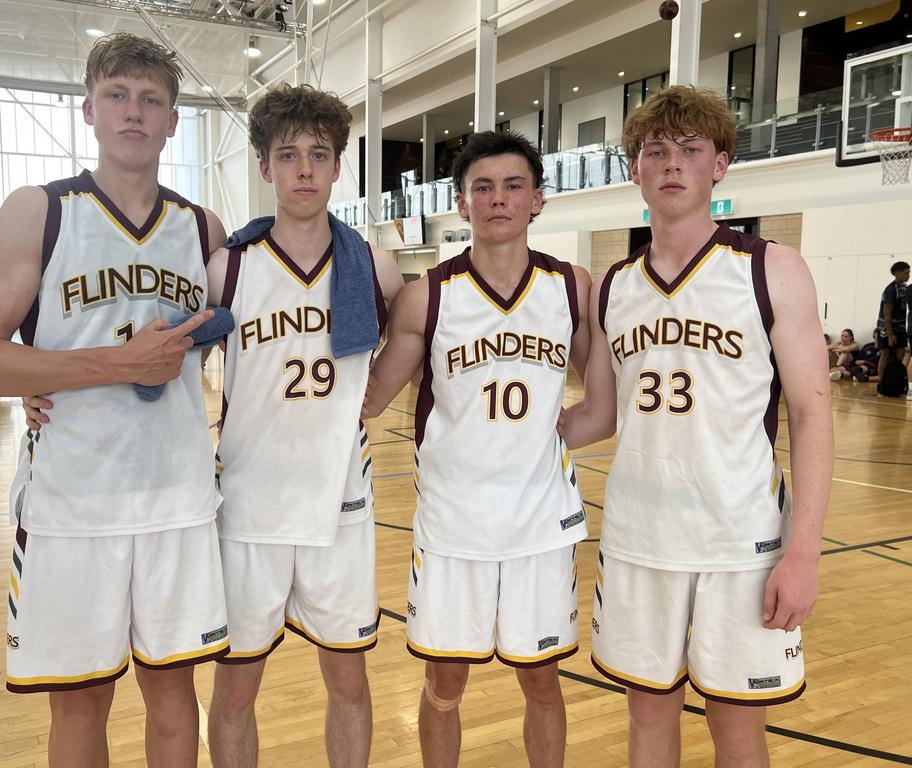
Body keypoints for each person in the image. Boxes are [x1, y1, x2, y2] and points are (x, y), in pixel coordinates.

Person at [0, 32, 229, 767]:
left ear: (173, 120)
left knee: (175, 698)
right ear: (88, 111)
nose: (133, 113)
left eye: (151, 100)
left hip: (178, 497)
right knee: (80, 704)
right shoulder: (37, 212)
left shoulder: (203, 230)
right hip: (72, 504)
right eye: (117, 96)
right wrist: (106, 365)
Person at [561, 86, 832, 767]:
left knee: (737, 730)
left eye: (690, 149)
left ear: (720, 165)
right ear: (635, 170)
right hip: (639, 540)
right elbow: (597, 415)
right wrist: (486, 430)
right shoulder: (614, 286)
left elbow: (811, 413)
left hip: (741, 544)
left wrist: (802, 554)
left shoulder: (772, 268)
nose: (672, 163)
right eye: (656, 151)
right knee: (648, 720)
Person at [361, 130, 591, 768]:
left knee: (542, 681)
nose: (498, 200)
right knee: (444, 685)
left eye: (513, 186)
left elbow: (609, 399)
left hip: (539, 526)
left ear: (538, 199)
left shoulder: (572, 287)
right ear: (461, 204)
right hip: (453, 525)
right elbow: (373, 396)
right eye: (481, 188)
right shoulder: (427, 295)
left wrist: (549, 438)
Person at [205, 84, 404, 768]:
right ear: (264, 167)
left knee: (349, 680)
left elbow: (426, 343)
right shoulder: (227, 267)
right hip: (249, 505)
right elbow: (163, 363)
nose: (304, 170)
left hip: (339, 503)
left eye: (319, 154)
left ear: (338, 166)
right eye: (288, 155)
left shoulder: (374, 265)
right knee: (235, 688)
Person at [875, 261, 908, 392]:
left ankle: (895, 381)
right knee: (885, 354)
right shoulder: (891, 289)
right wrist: (890, 334)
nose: (908, 275)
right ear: (897, 273)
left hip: (900, 328)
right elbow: (887, 312)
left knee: (900, 354)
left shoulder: (904, 288)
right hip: (887, 328)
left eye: (909, 273)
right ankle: (882, 383)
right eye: (906, 273)